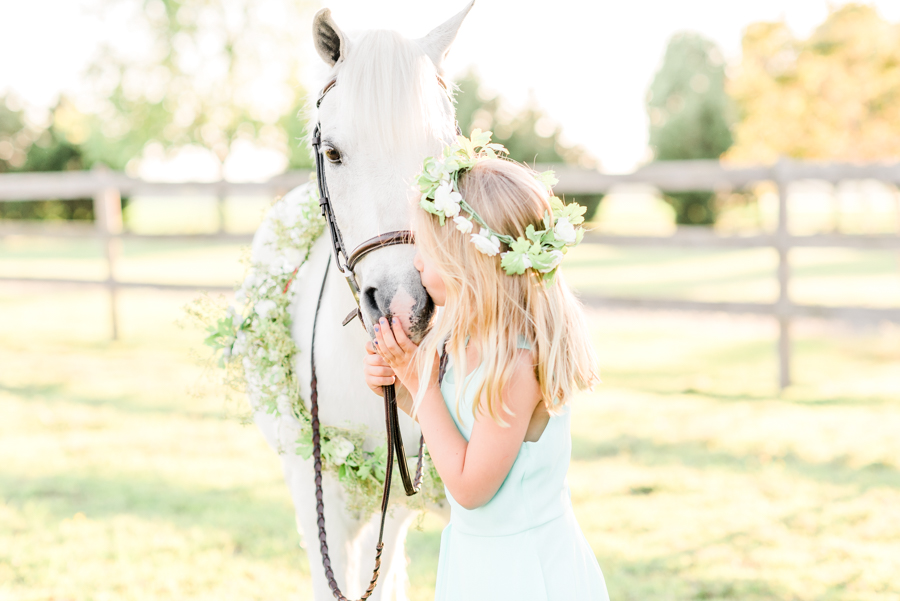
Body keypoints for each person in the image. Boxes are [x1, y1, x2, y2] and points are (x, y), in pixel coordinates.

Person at [362, 132, 610, 600]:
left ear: (468, 263)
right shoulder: (461, 337)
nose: (416, 263)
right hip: (478, 559)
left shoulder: (517, 365)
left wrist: (421, 384)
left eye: (428, 251)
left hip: (524, 571)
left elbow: (470, 487)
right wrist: (401, 386)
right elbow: (455, 425)